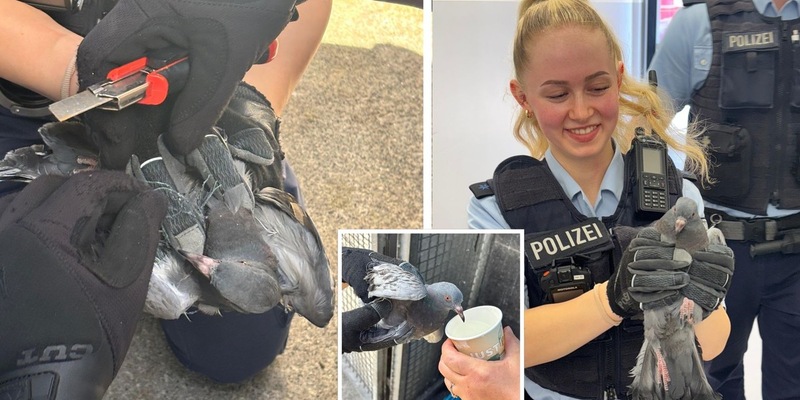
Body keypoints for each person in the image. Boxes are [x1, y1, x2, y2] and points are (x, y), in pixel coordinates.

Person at [0, 0, 332, 395]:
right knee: (32, 328)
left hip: (197, 99)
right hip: (36, 97)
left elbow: (302, 5)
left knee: (236, 349)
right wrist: (81, 74)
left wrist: (250, 100)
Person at [466, 0, 736, 398]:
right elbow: (504, 345)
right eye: (557, 95)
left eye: (598, 87)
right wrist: (611, 298)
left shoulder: (680, 196)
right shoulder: (496, 209)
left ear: (620, 78)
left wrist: (696, 294)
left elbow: (713, 343)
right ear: (523, 97)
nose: (581, 110)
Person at [649, 1, 800, 398]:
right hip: (718, 249)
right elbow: (643, 126)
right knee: (710, 379)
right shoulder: (698, 24)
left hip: (797, 253)